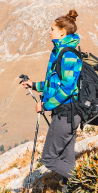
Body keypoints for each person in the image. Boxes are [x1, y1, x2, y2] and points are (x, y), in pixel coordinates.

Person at [20, 10, 83, 180]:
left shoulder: (68, 54)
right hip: (66, 113)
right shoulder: (59, 51)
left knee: (49, 158)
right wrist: (34, 85)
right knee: (65, 159)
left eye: (52, 29)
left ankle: (84, 182)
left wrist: (45, 105)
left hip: (66, 113)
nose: (49, 32)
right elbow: (55, 83)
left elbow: (67, 88)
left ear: (62, 32)